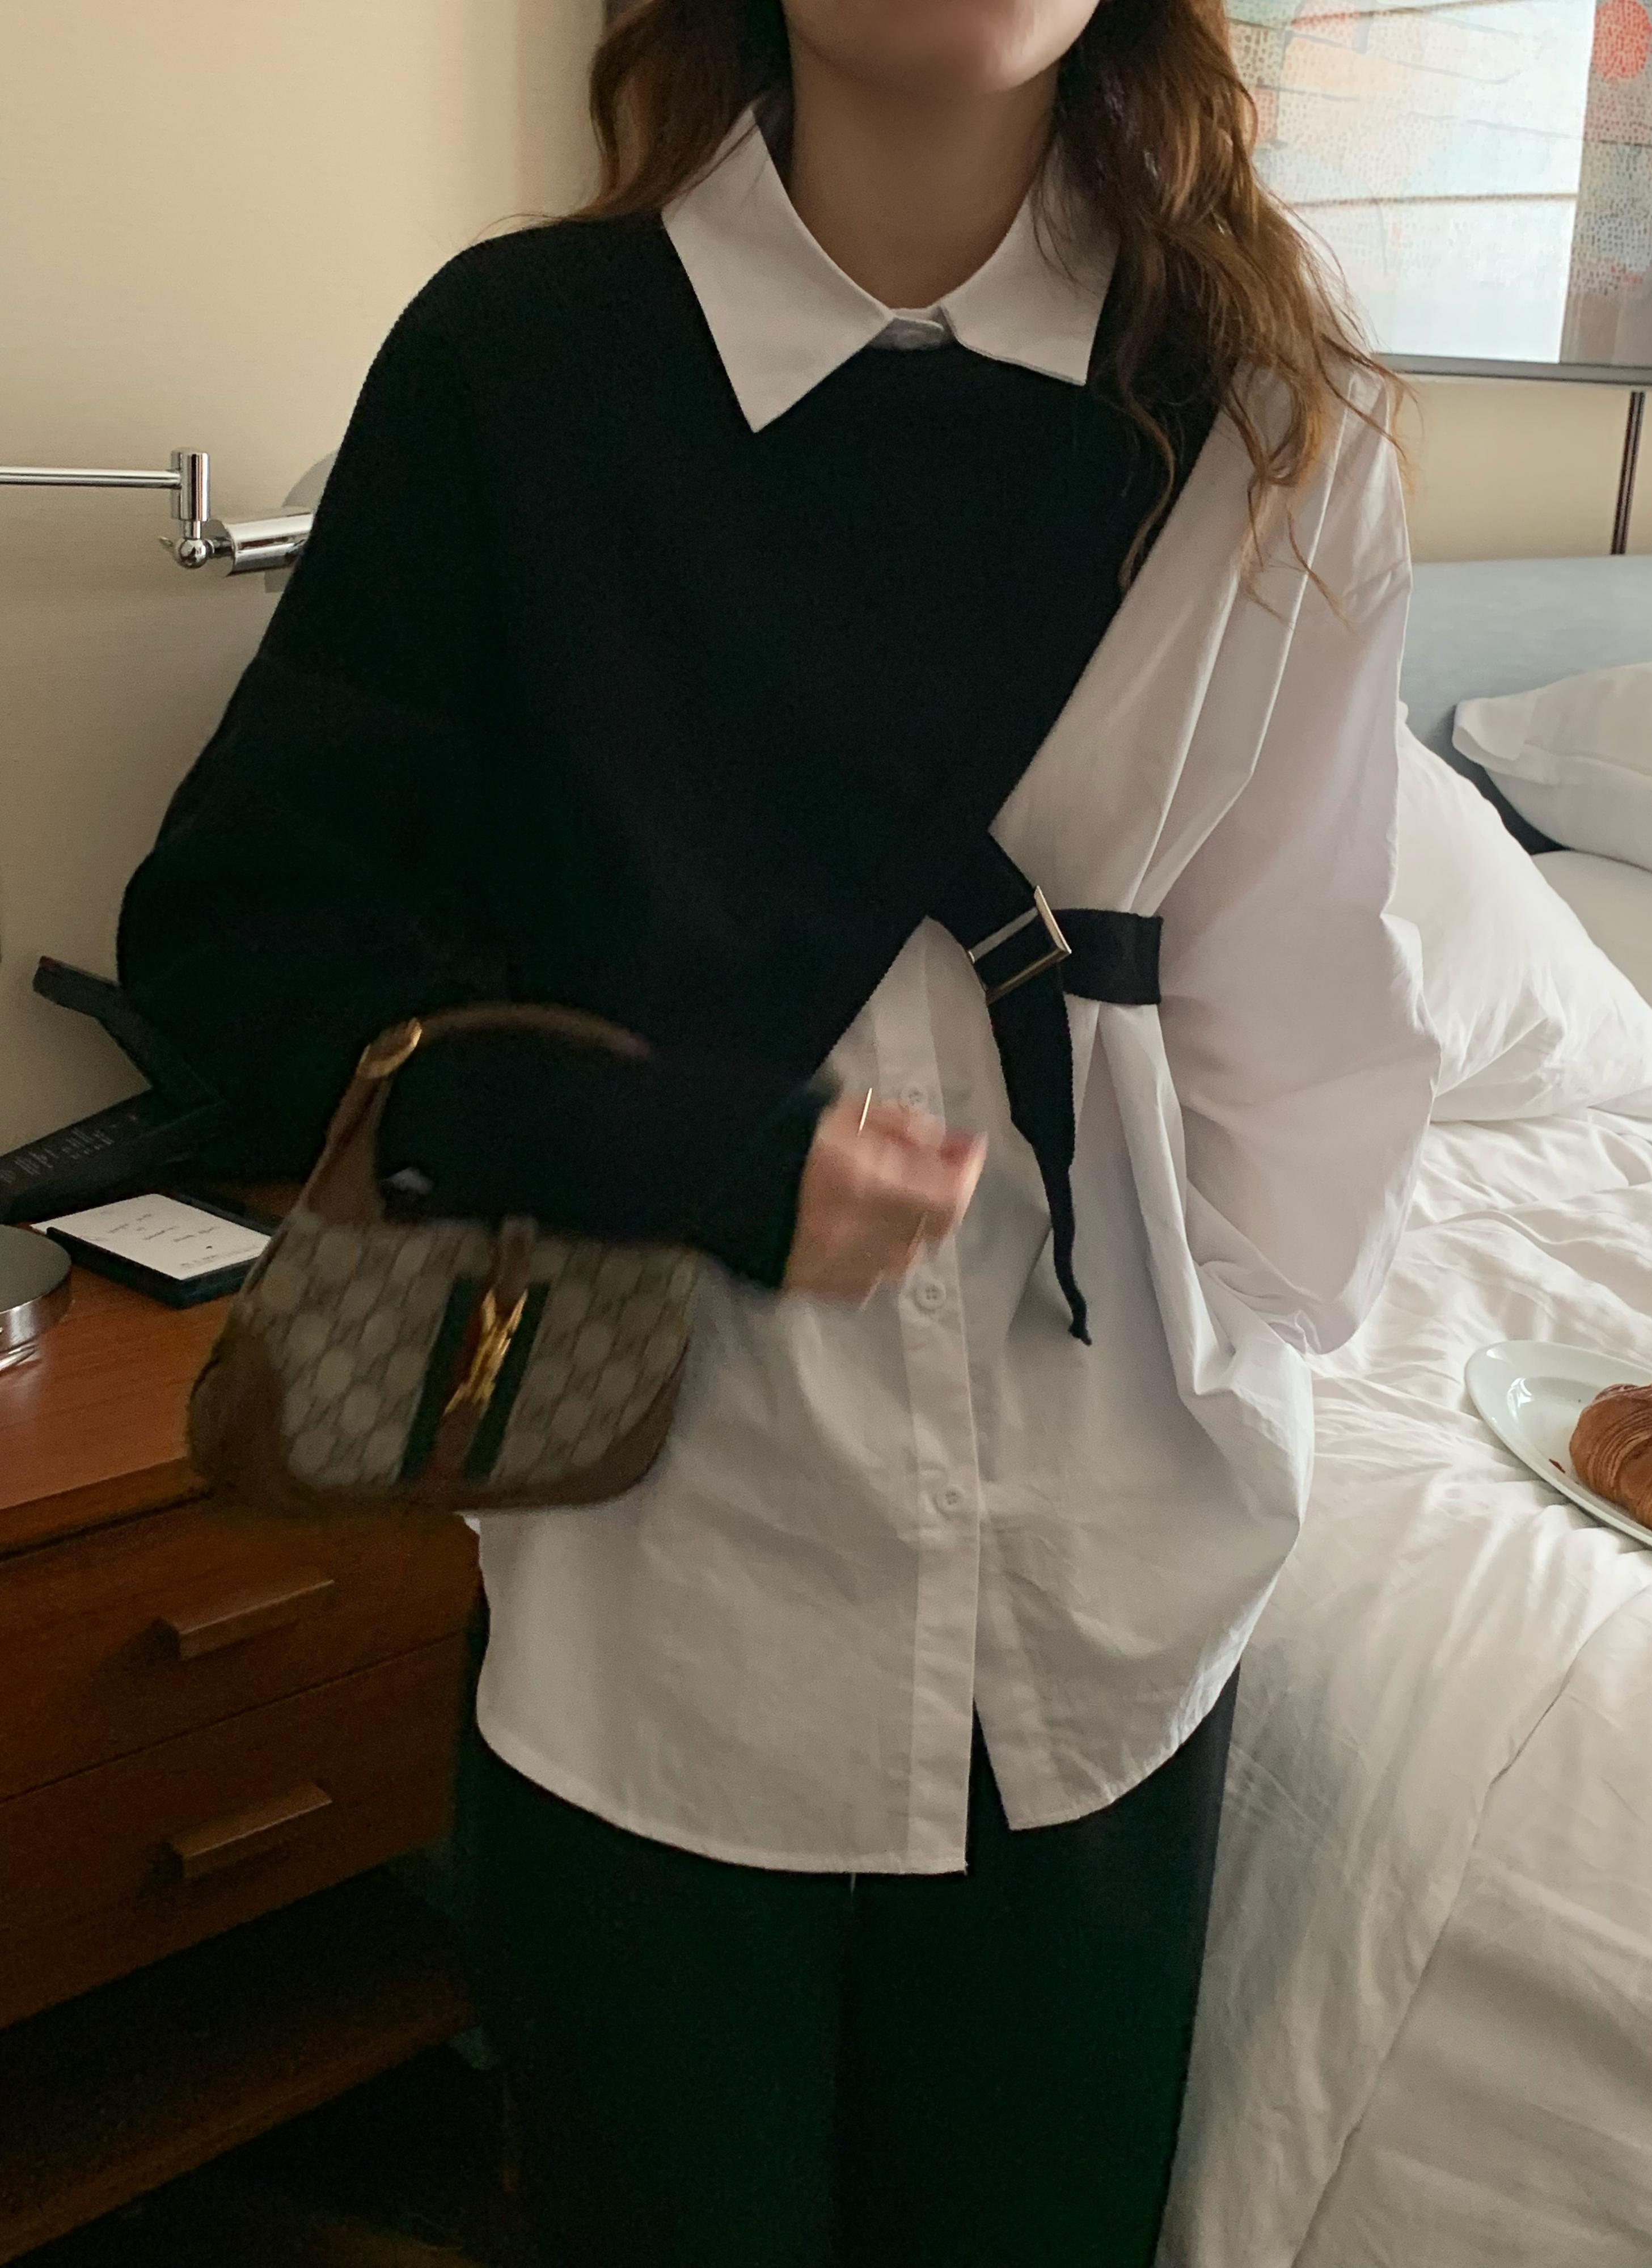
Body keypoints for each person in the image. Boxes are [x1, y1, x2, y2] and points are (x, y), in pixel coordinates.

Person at [119, 1, 1440, 2260]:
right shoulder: (520, 366)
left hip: (1113, 1583)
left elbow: (1299, 1009)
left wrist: (1228, 1372)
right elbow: (244, 943)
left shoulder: (1267, 415)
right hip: (656, 1564)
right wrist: (680, 1154)